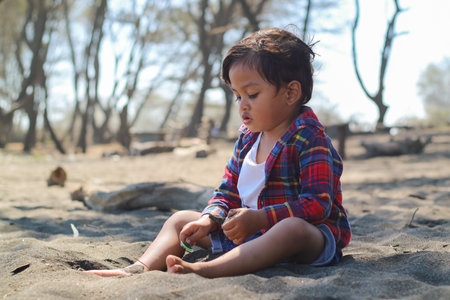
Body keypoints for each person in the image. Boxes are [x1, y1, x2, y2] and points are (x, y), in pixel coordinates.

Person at [86, 27, 351, 279]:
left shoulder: (310, 138)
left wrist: (261, 217)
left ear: (291, 92)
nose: (242, 106)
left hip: (306, 240)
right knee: (181, 220)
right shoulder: (248, 138)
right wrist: (209, 219)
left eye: (253, 94)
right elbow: (227, 191)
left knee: (291, 229)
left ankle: (205, 271)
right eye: (237, 96)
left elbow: (317, 205)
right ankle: (140, 268)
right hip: (251, 234)